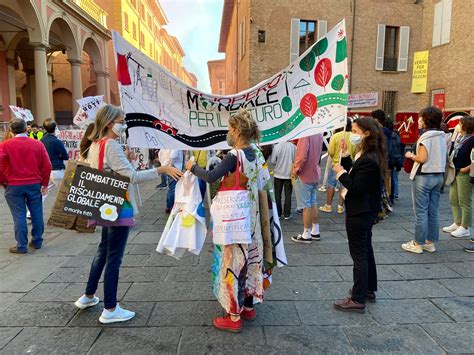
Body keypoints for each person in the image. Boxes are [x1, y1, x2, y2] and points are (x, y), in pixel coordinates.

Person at [74, 104, 182, 324]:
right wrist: (161, 170)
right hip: (117, 204)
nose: (123, 124)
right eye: (121, 121)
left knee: (103, 251)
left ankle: (88, 296)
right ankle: (111, 308)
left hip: (104, 202)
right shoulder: (111, 146)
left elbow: (113, 170)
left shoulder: (96, 144)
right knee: (114, 256)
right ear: (109, 122)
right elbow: (132, 177)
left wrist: (128, 160)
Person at [185, 109, 266, 333]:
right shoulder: (257, 153)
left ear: (237, 131)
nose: (228, 133)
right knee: (250, 262)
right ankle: (248, 307)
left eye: (230, 129)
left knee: (231, 264)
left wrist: (193, 167)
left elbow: (210, 177)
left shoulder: (234, 156)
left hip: (233, 222)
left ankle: (233, 317)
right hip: (252, 218)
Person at [332, 117, 385, 313]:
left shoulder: (370, 159)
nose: (352, 135)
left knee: (359, 254)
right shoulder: (368, 155)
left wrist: (339, 173)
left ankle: (358, 298)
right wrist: (345, 157)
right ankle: (368, 288)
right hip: (364, 210)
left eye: (355, 131)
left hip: (360, 211)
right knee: (366, 250)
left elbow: (355, 186)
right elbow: (355, 171)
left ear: (367, 134)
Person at [0, 118, 52, 254]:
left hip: (13, 185)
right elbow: (47, 165)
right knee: (36, 212)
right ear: (25, 128)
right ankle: (37, 241)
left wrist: (3, 181)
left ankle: (21, 245)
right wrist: (45, 183)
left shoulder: (5, 145)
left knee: (19, 215)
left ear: (11, 130)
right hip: (34, 183)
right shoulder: (38, 144)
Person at [401, 106, 448, 254]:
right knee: (433, 211)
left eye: (421, 117)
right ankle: (429, 242)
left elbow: (422, 158)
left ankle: (417, 243)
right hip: (438, 175)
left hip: (424, 176)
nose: (419, 120)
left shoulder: (426, 137)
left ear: (425, 119)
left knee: (421, 211)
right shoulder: (442, 135)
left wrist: (409, 156)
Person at [443, 116, 473, 238]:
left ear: (467, 126)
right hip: (455, 170)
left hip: (464, 172)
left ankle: (465, 227)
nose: (458, 125)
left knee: (464, 200)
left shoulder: (472, 139)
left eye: (460, 123)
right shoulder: (460, 137)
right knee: (453, 198)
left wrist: (468, 168)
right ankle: (457, 222)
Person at [291, 133, 324, 243]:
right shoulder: (319, 133)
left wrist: (296, 170)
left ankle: (306, 234)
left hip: (305, 174)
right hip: (315, 172)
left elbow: (302, 156)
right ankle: (315, 230)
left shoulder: (306, 135)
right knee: (312, 202)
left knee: (305, 205)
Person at [319, 119, 355, 214]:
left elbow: (330, 151)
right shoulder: (352, 136)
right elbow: (355, 150)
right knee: (344, 185)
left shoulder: (335, 136)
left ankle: (328, 205)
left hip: (336, 163)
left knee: (331, 184)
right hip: (348, 162)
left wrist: (334, 156)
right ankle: (340, 206)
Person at [267, 141, 296, 219]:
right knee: (288, 195)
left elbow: (272, 161)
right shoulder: (293, 146)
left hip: (278, 173)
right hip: (289, 174)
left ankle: (278, 213)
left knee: (277, 194)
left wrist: (278, 162)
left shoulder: (277, 146)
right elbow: (295, 160)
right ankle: (287, 214)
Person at [41, 118, 69, 188]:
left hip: (45, 171)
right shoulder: (57, 141)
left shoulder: (41, 141)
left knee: (44, 193)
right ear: (55, 128)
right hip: (57, 170)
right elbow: (65, 156)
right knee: (65, 192)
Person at [159, 149, 184, 213]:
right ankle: (171, 207)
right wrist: (169, 163)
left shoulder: (165, 145)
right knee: (173, 189)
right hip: (174, 168)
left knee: (171, 188)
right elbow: (173, 155)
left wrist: (164, 164)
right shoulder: (175, 144)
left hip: (168, 167)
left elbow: (160, 154)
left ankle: (168, 206)